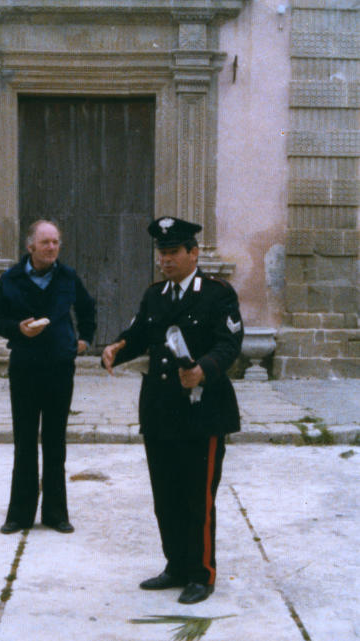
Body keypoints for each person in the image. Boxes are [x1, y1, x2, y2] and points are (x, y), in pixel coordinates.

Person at [102, 216, 243, 604]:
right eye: (161, 253)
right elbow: (138, 335)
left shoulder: (216, 294)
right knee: (166, 496)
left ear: (193, 253)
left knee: (198, 497)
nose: (164, 259)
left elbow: (229, 344)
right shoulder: (155, 295)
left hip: (202, 413)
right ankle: (176, 566)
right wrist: (116, 348)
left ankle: (201, 573)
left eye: (173, 252)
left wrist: (203, 370)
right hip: (160, 410)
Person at [0, 220, 96, 535]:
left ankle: (56, 513)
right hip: (25, 367)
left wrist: (84, 339)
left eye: (56, 242)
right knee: (24, 440)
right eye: (45, 242)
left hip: (59, 366)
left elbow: (87, 309)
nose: (52, 247)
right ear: (30, 246)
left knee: (55, 440)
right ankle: (19, 515)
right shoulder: (11, 278)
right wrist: (17, 329)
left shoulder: (68, 277)